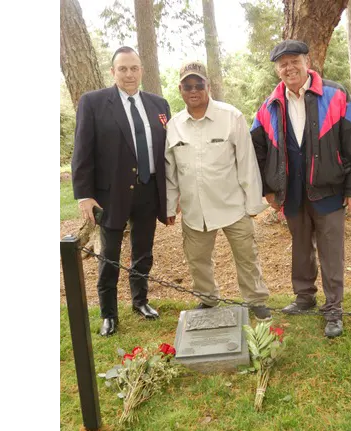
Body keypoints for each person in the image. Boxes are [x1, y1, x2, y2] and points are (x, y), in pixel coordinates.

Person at [250, 40, 351, 337]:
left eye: (294, 61)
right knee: (301, 248)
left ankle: (333, 310)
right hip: (290, 191)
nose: (289, 68)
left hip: (329, 188)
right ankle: (304, 297)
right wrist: (268, 189)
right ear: (277, 69)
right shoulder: (269, 105)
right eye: (282, 63)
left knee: (331, 251)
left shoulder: (336, 94)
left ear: (307, 61)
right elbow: (258, 149)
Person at [71, 46, 171, 337]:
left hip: (148, 190)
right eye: (123, 69)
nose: (129, 74)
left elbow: (166, 152)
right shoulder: (93, 102)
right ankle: (109, 314)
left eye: (134, 68)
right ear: (113, 72)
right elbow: (82, 152)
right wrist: (84, 194)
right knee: (110, 256)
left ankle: (140, 302)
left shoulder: (159, 104)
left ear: (141, 70)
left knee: (143, 251)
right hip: (110, 194)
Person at [164, 61, 272, 321]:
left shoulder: (231, 116)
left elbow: (247, 163)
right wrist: (169, 207)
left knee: (247, 257)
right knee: (198, 260)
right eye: (187, 85)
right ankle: (207, 299)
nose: (193, 90)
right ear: (180, 89)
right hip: (195, 210)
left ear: (208, 87)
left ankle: (256, 300)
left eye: (198, 84)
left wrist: (253, 205)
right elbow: (171, 172)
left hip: (232, 205)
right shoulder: (174, 125)